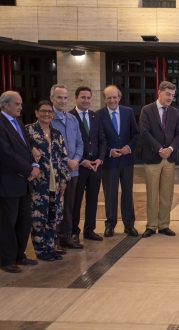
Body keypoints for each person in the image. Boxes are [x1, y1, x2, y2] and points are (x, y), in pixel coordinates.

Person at [0, 91, 39, 273]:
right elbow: (6, 154)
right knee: (7, 223)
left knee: (24, 221)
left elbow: (27, 148)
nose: (20, 107)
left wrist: (34, 164)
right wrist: (29, 169)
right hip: (9, 183)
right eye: (17, 104)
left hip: (24, 183)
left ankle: (20, 254)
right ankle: (7, 260)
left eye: (20, 104)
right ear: (5, 105)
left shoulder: (18, 122)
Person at [26, 101, 70, 261]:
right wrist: (31, 149)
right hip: (39, 182)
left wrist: (64, 179)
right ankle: (40, 249)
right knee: (39, 217)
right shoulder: (29, 130)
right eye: (43, 111)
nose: (47, 114)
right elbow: (24, 150)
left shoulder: (57, 133)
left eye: (49, 112)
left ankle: (51, 246)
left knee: (53, 216)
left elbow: (64, 158)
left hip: (56, 181)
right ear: (36, 113)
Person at [139, 81, 179, 238]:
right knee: (152, 194)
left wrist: (170, 149)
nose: (170, 98)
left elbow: (178, 134)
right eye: (168, 94)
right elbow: (144, 132)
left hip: (169, 159)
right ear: (160, 92)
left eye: (173, 95)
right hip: (152, 158)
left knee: (167, 194)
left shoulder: (175, 112)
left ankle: (164, 225)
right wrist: (159, 149)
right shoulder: (147, 110)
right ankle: (151, 225)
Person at [96, 85, 139, 237]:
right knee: (110, 194)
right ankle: (110, 225)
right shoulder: (98, 115)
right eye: (109, 98)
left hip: (127, 160)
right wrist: (109, 151)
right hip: (109, 162)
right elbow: (98, 139)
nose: (112, 100)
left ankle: (129, 225)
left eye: (115, 97)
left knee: (127, 192)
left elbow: (135, 134)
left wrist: (129, 147)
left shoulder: (128, 112)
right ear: (104, 99)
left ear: (119, 98)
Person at [50, 84, 83, 251]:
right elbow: (48, 147)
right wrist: (66, 162)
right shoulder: (49, 119)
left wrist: (76, 160)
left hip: (73, 170)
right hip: (56, 171)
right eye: (59, 97)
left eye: (65, 97)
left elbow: (79, 142)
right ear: (52, 99)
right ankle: (54, 238)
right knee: (55, 205)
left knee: (70, 205)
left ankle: (66, 236)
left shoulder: (72, 119)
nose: (63, 101)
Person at [70, 86, 106, 242]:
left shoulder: (95, 116)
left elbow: (102, 139)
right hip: (79, 166)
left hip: (95, 165)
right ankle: (74, 231)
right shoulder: (70, 116)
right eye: (83, 97)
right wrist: (81, 160)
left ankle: (89, 230)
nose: (86, 100)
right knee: (76, 200)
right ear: (76, 98)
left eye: (88, 98)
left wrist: (100, 159)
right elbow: (69, 143)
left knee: (92, 200)